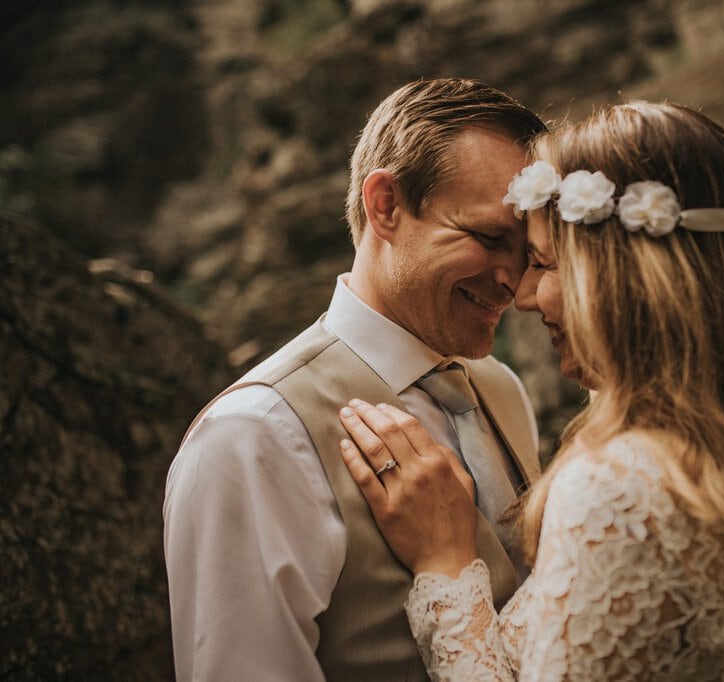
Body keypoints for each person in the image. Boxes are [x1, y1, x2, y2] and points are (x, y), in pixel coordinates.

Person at [337, 101, 724, 680]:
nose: (523, 295)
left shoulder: (618, 489)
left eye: (544, 263)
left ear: (626, 281)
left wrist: (445, 564)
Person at [163, 78, 547, 680]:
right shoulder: (252, 437)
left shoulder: (501, 390)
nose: (515, 282)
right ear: (386, 206)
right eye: (490, 237)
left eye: (527, 251)